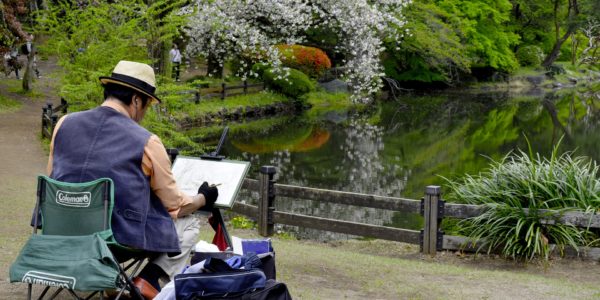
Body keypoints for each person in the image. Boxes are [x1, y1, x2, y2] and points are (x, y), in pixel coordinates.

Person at [46, 60, 219, 299]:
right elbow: (175, 205)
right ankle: (149, 280)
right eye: (147, 105)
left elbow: (53, 180)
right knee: (188, 223)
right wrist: (203, 198)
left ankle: (111, 284)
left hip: (60, 233)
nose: (145, 113)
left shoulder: (63, 124)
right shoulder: (146, 141)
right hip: (115, 242)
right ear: (137, 100)